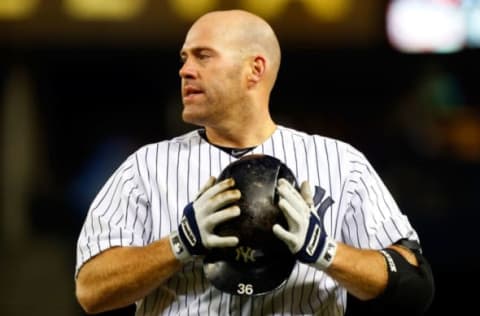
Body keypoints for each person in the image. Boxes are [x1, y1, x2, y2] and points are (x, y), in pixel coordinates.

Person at [75, 9, 434, 316]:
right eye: (184, 58)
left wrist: (326, 251)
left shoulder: (340, 162)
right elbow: (90, 290)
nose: (185, 70)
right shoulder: (147, 167)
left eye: (203, 56)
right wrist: (178, 245)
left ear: (254, 69)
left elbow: (415, 285)